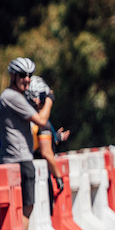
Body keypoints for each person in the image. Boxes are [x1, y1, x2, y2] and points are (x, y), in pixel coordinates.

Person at [0, 57, 54, 230]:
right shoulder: (12, 97)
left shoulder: (13, 97)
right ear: (13, 76)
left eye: (29, 75)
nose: (27, 79)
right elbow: (42, 120)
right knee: (26, 207)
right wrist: (50, 99)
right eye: (22, 75)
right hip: (19, 159)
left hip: (15, 159)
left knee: (22, 207)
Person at [26, 76, 69, 209]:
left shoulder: (24, 119)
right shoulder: (41, 124)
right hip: (40, 177)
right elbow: (46, 152)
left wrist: (55, 137)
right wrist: (58, 176)